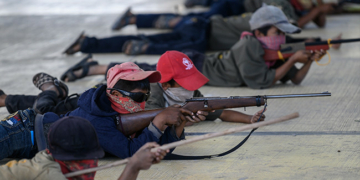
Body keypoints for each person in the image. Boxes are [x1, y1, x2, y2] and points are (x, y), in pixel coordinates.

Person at [0, 62, 207, 160]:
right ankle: (51, 89)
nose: (143, 102)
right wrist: (157, 123)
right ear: (116, 95)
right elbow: (131, 153)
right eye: (137, 96)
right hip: (25, 132)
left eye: (146, 96)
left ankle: (52, 90)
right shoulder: (97, 118)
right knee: (44, 107)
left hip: (39, 131)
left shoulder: (119, 110)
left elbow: (158, 149)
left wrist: (178, 124)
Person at [0, 116, 168, 180]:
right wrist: (133, 166)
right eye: (78, 160)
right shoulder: (49, 174)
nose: (89, 165)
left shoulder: (57, 161)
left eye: (92, 157)